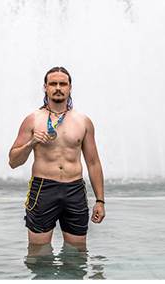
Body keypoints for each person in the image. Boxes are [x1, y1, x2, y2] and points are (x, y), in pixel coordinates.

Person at [8, 67, 105, 251]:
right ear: (45, 87)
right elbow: (13, 161)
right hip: (44, 189)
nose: (58, 87)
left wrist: (100, 201)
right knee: (38, 253)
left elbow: (93, 163)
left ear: (70, 88)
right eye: (53, 83)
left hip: (74, 190)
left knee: (77, 253)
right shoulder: (32, 120)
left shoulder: (83, 121)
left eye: (63, 84)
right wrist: (31, 143)